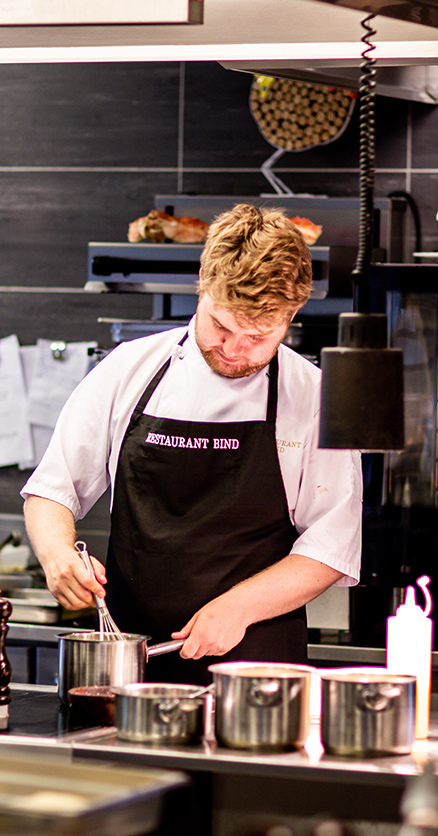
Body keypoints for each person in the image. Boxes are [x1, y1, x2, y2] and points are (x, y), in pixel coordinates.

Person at [22, 203, 362, 685]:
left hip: (255, 674)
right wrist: (57, 554)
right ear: (202, 281)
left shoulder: (313, 397)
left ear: (292, 313)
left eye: (258, 337)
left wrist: (239, 607)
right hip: (130, 664)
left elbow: (331, 546)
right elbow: (52, 490)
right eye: (221, 326)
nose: (235, 349)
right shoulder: (128, 369)